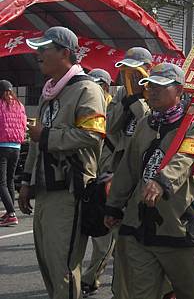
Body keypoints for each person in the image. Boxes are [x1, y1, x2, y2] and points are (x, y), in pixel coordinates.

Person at [104, 63, 194, 299]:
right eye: (150, 86)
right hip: (140, 223)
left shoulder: (193, 126)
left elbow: (184, 160)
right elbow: (128, 169)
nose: (152, 91)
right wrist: (114, 205)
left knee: (190, 292)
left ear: (179, 90)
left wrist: (161, 182)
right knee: (142, 292)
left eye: (161, 87)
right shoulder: (145, 124)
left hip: (177, 223)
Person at [19, 26, 106, 299]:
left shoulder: (87, 89)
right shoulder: (49, 93)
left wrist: (47, 136)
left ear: (64, 53)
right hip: (45, 190)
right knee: (47, 262)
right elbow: (36, 141)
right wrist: (26, 181)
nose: (38, 55)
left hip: (70, 191)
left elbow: (92, 135)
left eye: (44, 49)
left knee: (63, 265)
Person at [106, 48, 153, 299]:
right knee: (121, 240)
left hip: (146, 171)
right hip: (122, 167)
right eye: (127, 71)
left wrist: (137, 101)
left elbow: (150, 123)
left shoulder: (156, 91)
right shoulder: (122, 92)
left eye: (136, 70)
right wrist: (125, 105)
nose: (131, 75)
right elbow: (109, 127)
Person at [80, 68, 115, 296]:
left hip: (112, 179)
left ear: (105, 87)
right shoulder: (87, 106)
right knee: (91, 230)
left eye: (98, 84)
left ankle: (90, 278)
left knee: (104, 237)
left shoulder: (116, 109)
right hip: (91, 178)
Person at [0, 80, 27, 227]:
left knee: (1, 182)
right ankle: (10, 212)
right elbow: (24, 125)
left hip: (1, 146)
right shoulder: (19, 105)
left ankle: (11, 214)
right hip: (16, 147)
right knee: (9, 180)